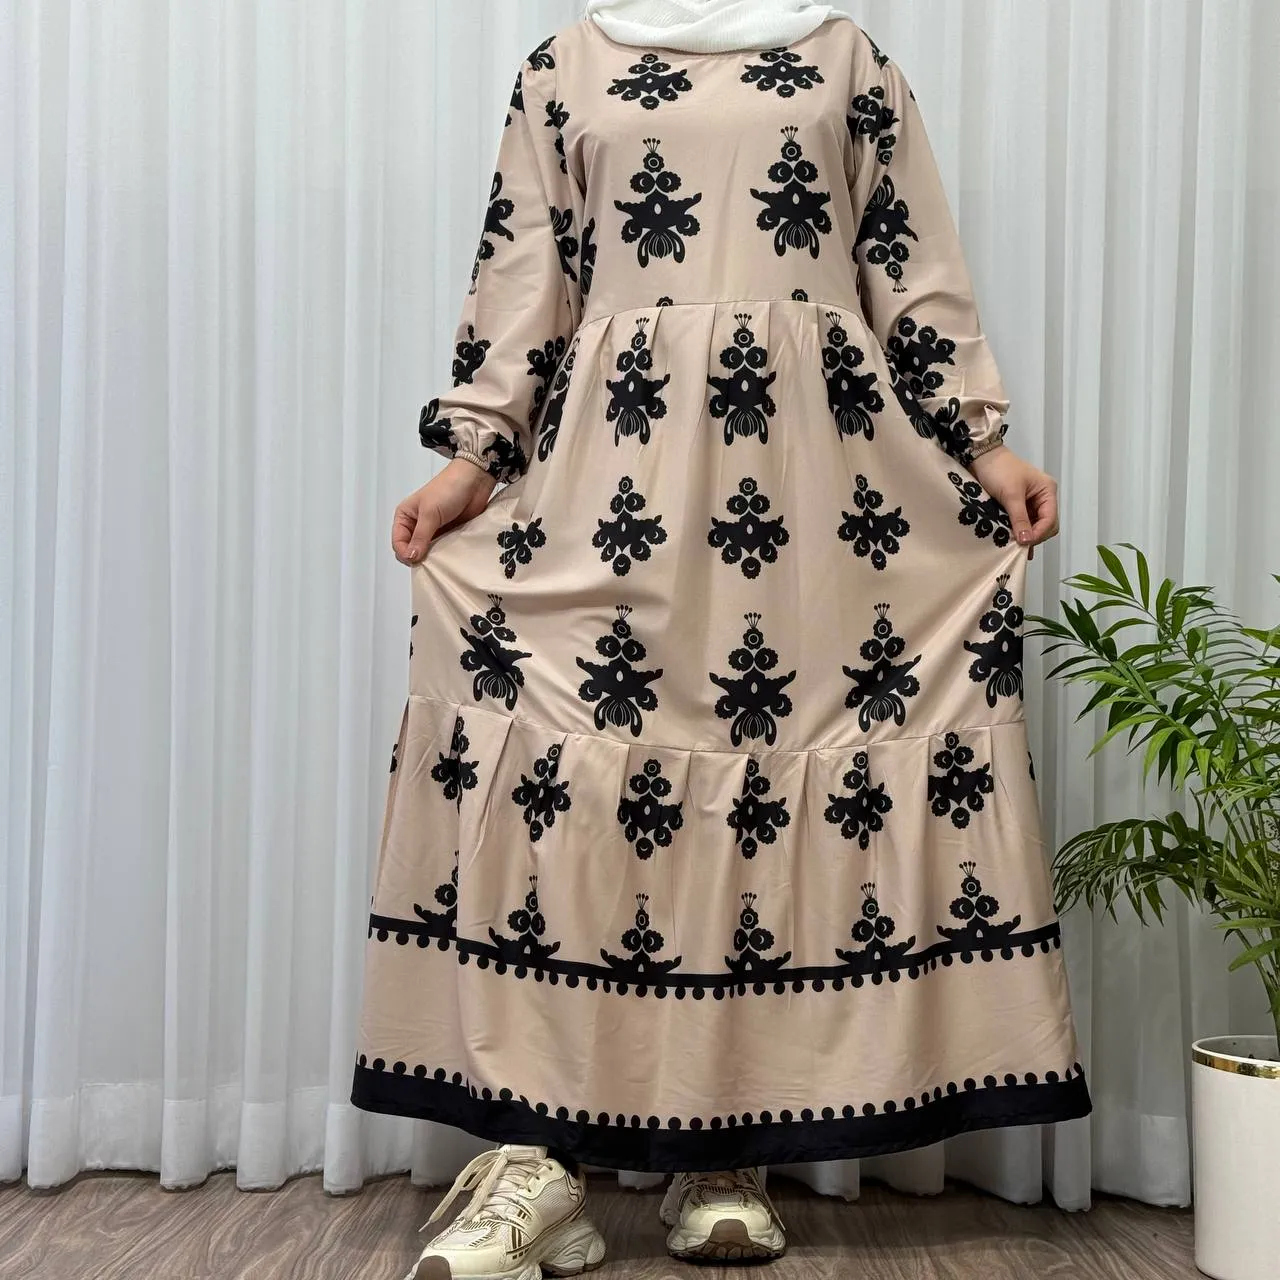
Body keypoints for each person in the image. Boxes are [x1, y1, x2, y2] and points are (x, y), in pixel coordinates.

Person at [350, 1, 1090, 1276]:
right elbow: (525, 276)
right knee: (577, 774)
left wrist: (979, 443)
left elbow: (908, 261)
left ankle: (725, 1149)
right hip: (612, 470)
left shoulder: (842, 55)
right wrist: (472, 457)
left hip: (816, 479)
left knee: (755, 776)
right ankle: (538, 1155)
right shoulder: (564, 64)